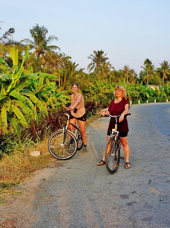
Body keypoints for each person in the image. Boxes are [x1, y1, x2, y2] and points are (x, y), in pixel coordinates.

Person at [97, 85, 131, 169]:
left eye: (119, 91)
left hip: (121, 123)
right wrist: (105, 113)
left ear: (122, 92)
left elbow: (126, 110)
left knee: (124, 143)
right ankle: (104, 159)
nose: (117, 92)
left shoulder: (125, 101)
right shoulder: (112, 101)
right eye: (116, 91)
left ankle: (127, 161)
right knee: (108, 141)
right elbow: (109, 111)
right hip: (112, 123)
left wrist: (123, 115)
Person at [68, 83, 87, 152]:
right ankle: (68, 142)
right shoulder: (72, 96)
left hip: (81, 113)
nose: (74, 88)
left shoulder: (80, 95)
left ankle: (85, 145)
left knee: (82, 131)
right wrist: (69, 107)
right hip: (74, 113)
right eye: (73, 87)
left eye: (75, 87)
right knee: (70, 128)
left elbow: (78, 102)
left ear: (78, 88)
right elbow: (72, 104)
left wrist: (73, 107)